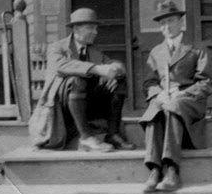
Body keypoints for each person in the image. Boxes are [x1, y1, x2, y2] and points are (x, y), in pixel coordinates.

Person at [29, 8, 135, 152]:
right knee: (76, 80)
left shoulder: (93, 50)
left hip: (86, 104)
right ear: (76, 28)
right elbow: (62, 65)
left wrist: (116, 69)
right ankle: (86, 138)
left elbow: (115, 63)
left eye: (96, 28)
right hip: (59, 107)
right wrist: (98, 69)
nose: (95, 32)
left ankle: (113, 134)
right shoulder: (57, 47)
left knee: (119, 81)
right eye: (91, 28)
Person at [140, 0, 212, 192]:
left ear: (181, 22)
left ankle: (172, 169)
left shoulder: (197, 47)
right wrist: (158, 94)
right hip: (166, 99)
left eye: (171, 21)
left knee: (174, 105)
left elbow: (206, 83)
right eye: (163, 23)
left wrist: (181, 92)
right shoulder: (156, 52)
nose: (167, 26)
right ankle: (155, 169)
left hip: (190, 101)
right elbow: (149, 83)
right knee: (153, 110)